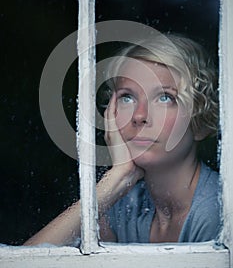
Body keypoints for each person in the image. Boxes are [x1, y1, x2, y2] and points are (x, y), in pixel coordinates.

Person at [24, 32, 221, 246]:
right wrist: (118, 177)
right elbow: (27, 261)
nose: (139, 115)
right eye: (128, 97)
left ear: (200, 123)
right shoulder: (130, 205)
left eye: (165, 98)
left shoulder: (217, 211)